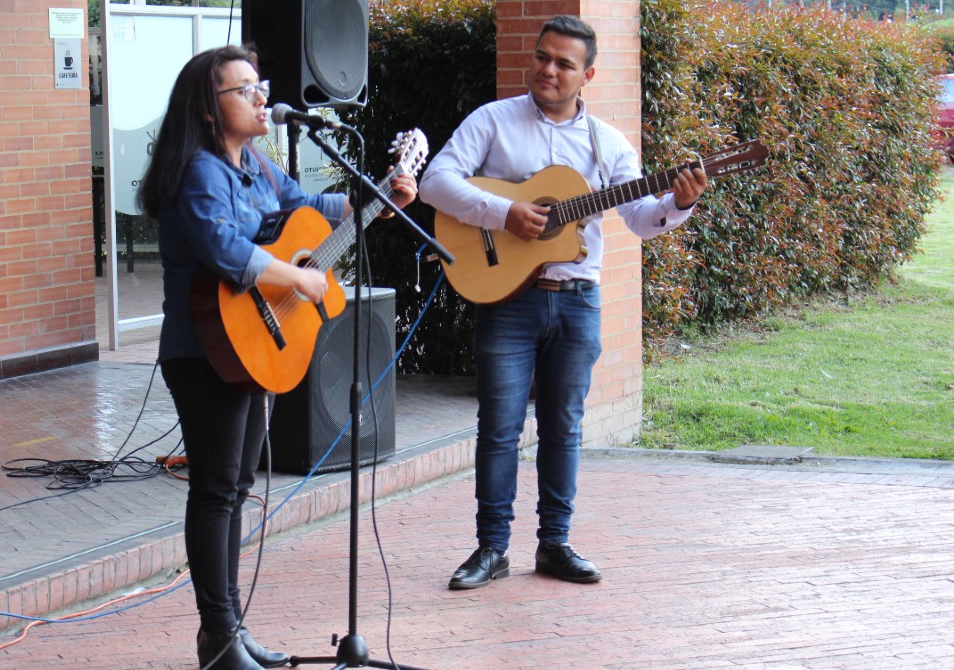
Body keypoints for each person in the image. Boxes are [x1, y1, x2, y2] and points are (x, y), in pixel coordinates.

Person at [136, 45, 416, 668]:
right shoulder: (198, 172)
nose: (261, 97)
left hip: (247, 348)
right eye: (245, 89)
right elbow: (224, 249)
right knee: (215, 489)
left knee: (236, 486)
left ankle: (231, 629)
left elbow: (306, 209)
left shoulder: (255, 166)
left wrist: (377, 198)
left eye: (259, 85)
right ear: (210, 111)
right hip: (203, 350)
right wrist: (300, 282)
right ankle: (217, 636)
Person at [419, 16, 708, 590]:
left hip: (578, 301)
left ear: (588, 75)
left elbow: (641, 218)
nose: (548, 70)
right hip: (508, 299)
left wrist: (679, 204)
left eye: (564, 63)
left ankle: (554, 544)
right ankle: (490, 549)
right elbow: (434, 182)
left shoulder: (608, 144)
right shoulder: (494, 122)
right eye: (543, 57)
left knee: (563, 428)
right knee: (498, 428)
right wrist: (504, 213)